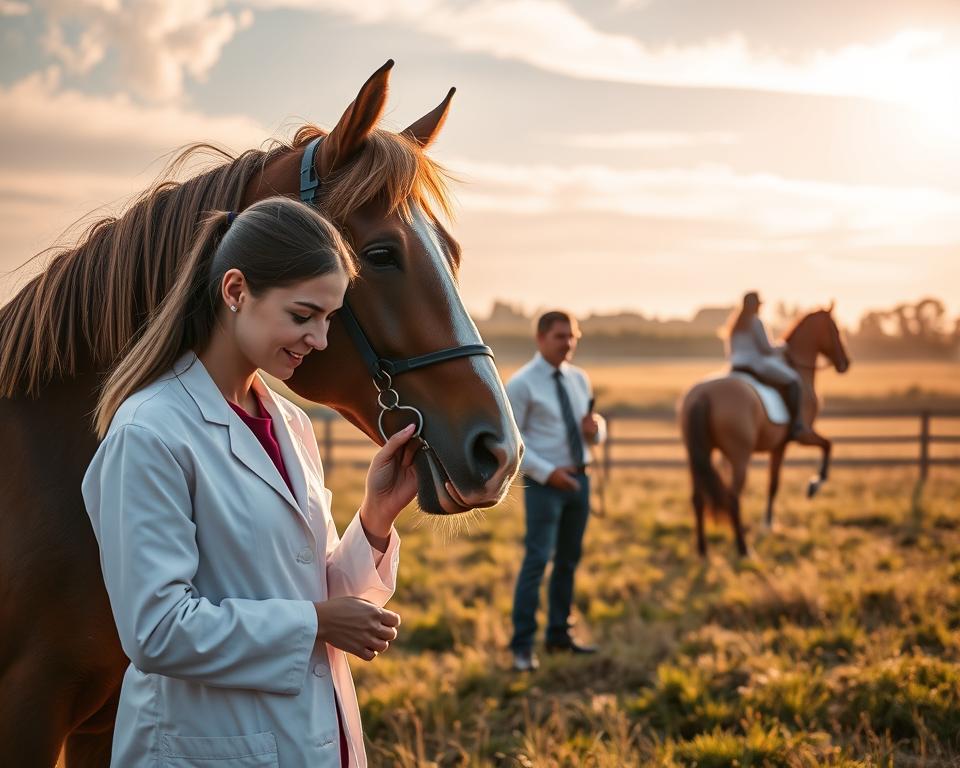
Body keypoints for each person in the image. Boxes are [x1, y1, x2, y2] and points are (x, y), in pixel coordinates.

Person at [81, 196, 419, 768]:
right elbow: (156, 628)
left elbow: (306, 587)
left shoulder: (288, 422)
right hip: (203, 746)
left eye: (330, 318)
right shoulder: (149, 432)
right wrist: (314, 623)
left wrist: (375, 518)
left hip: (307, 735)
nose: (320, 339)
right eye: (302, 314)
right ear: (235, 291)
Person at [505, 310, 606, 672]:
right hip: (545, 486)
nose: (569, 343)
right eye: (561, 336)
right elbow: (512, 442)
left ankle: (559, 635)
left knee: (568, 562)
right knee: (536, 562)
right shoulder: (522, 384)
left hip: (580, 480)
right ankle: (521, 646)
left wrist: (597, 430)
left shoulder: (579, 379)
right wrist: (549, 474)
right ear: (541, 338)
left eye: (573, 336)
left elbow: (592, 430)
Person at [727, 291, 810, 440]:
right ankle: (797, 424)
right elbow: (766, 349)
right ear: (756, 306)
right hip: (755, 366)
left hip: (735, 367)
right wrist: (783, 346)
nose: (760, 307)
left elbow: (730, 351)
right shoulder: (755, 321)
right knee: (794, 380)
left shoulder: (734, 324)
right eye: (759, 304)